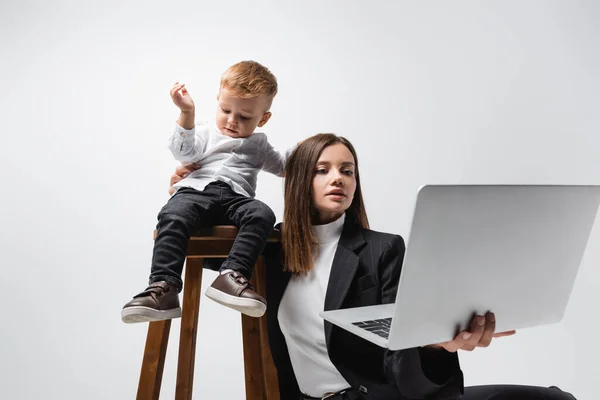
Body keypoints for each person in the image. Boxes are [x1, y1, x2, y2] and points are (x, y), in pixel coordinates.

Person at [169, 134, 577, 399]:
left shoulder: (382, 250)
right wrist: (194, 190)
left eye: (348, 171)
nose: (339, 179)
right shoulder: (267, 251)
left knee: (553, 399)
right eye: (323, 170)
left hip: (385, 395)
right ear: (298, 182)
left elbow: (397, 346)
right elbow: (197, 250)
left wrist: (437, 344)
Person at [121, 60, 294, 323]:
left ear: (264, 118)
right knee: (174, 214)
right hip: (196, 193)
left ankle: (232, 275)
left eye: (245, 117)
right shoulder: (202, 130)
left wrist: (304, 150)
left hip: (236, 199)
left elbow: (284, 167)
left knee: (262, 214)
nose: (232, 121)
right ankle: (163, 287)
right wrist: (186, 113)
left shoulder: (259, 146)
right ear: (218, 101)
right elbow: (183, 151)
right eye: (226, 110)